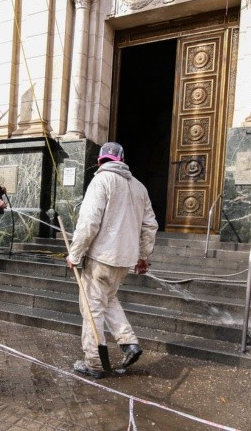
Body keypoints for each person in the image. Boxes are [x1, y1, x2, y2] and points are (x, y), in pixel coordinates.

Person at [65, 142, 158, 379]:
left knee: (92, 308)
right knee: (107, 299)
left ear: (100, 160)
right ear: (122, 160)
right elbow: (150, 225)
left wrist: (75, 254)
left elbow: (89, 222)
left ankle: (94, 362)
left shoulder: (101, 180)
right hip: (124, 259)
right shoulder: (139, 187)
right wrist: (143, 257)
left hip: (101, 257)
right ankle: (129, 343)